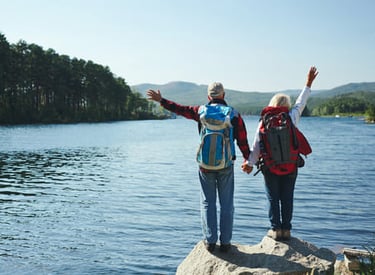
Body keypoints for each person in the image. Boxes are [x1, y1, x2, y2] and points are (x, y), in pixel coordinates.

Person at [147, 82, 250, 252]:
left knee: (207, 202)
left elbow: (180, 109)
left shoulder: (200, 111)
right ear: (223, 95)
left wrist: (162, 100)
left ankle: (210, 242)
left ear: (209, 97)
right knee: (227, 204)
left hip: (205, 165)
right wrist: (248, 160)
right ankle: (225, 243)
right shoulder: (234, 114)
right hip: (226, 165)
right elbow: (243, 141)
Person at [242, 66, 319, 241]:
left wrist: (249, 164)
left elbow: (256, 145)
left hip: (270, 167)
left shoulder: (264, 121)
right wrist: (308, 83)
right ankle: (287, 230)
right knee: (287, 198)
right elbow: (301, 103)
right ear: (286, 105)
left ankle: (276, 230)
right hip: (291, 166)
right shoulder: (291, 117)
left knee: (273, 198)